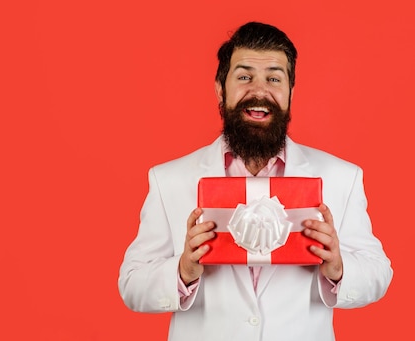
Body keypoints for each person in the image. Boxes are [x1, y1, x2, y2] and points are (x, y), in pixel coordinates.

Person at [118, 21, 393, 341]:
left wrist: (339, 269)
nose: (260, 91)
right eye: (244, 76)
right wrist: (182, 272)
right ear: (221, 89)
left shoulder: (342, 177)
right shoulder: (170, 179)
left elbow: (379, 273)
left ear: (291, 91)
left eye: (274, 78)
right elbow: (132, 284)